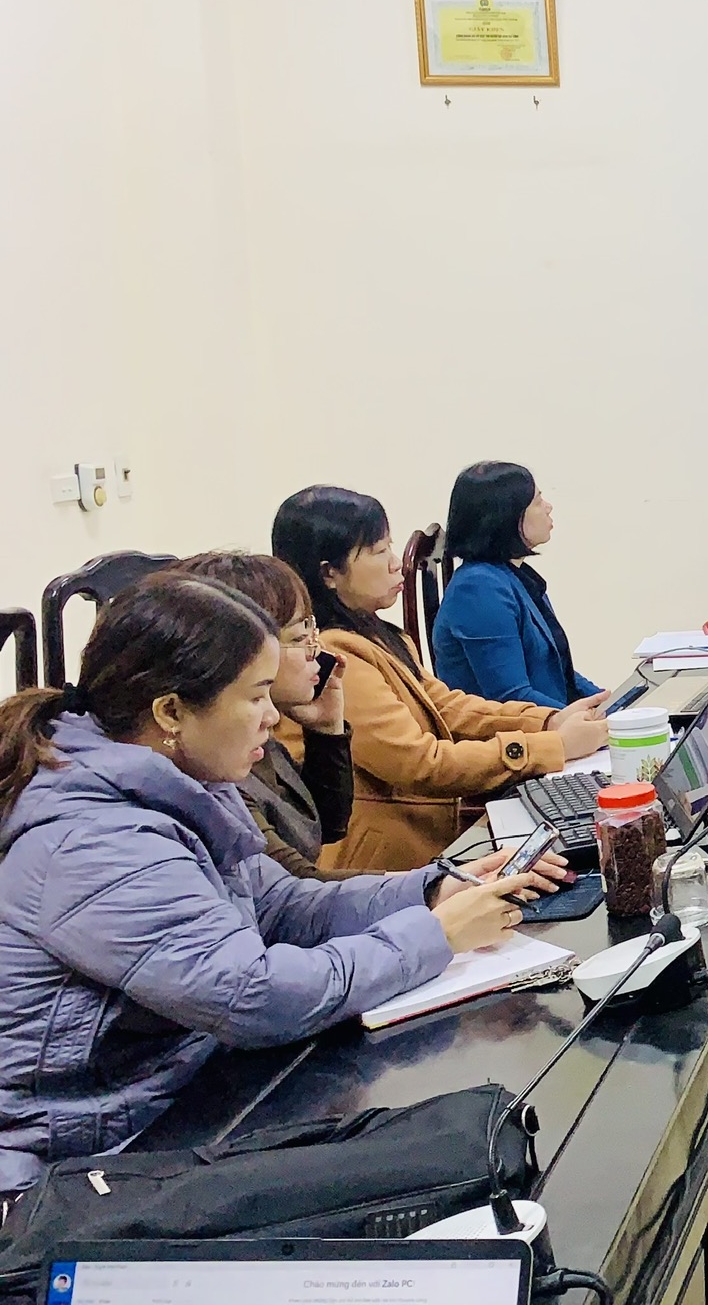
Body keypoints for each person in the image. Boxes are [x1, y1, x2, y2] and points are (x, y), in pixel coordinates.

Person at [0, 576, 563, 1194]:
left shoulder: (181, 781)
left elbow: (280, 903)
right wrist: (435, 936)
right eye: (255, 697)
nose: (273, 717)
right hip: (81, 1165)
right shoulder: (95, 841)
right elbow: (254, 995)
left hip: (184, 1095)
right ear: (170, 712)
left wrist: (428, 892)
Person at [274, 486, 610, 872]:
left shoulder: (377, 634)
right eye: (379, 551)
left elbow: (447, 705)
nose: (395, 564)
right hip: (384, 863)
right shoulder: (337, 656)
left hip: (428, 836)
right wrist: (552, 746)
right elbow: (420, 763)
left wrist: (548, 721)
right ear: (329, 573)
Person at [155, 552, 370, 881]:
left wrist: (327, 731)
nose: (316, 650)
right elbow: (289, 887)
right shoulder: (216, 764)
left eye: (311, 631)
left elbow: (323, 826)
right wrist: (433, 886)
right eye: (298, 638)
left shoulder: (260, 737)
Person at [431, 461, 603, 709]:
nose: (548, 507)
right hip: (514, 729)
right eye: (537, 501)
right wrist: (583, 719)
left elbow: (558, 671)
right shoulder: (478, 589)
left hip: (546, 720)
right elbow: (510, 697)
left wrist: (611, 704)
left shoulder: (512, 575)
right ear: (506, 516)